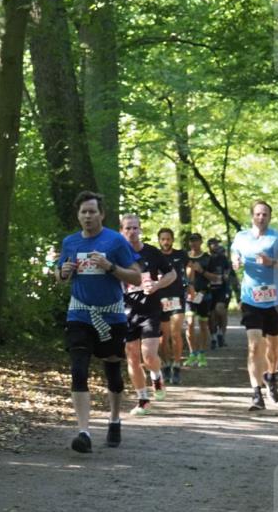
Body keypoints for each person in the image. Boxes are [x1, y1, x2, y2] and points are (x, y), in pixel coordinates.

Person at [57, 191, 142, 453]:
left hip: (111, 315)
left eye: (92, 211)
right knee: (78, 370)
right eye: (83, 212)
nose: (88, 216)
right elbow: (59, 277)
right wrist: (63, 273)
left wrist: (110, 267)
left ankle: (114, 419)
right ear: (78, 215)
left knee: (113, 372)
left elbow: (137, 277)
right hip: (80, 314)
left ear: (101, 214)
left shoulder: (115, 241)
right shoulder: (70, 242)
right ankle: (83, 432)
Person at [230, 200, 278, 411]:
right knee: (254, 346)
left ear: (269, 217)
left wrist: (272, 262)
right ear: (252, 215)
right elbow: (234, 252)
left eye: (265, 214)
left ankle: (271, 375)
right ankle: (256, 393)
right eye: (258, 214)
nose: (261, 217)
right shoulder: (241, 237)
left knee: (274, 347)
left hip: (275, 300)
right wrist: (235, 260)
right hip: (251, 298)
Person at [119, 214, 176, 414]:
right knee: (132, 357)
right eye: (128, 228)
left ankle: (157, 376)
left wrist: (157, 285)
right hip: (126, 311)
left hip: (150, 310)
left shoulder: (151, 252)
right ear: (121, 231)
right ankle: (143, 400)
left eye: (135, 228)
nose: (132, 232)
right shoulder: (117, 254)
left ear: (140, 230)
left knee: (149, 355)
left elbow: (172, 274)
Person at [156, 228, 188, 385]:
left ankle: (176, 365)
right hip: (160, 299)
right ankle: (166, 364)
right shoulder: (155, 256)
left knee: (176, 334)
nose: (166, 242)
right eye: (163, 239)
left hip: (177, 297)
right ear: (159, 240)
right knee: (164, 337)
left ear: (172, 240)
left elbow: (190, 268)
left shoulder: (181, 255)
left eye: (168, 239)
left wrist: (190, 285)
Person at [184, 233, 220, 366]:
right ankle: (192, 353)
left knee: (203, 325)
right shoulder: (184, 257)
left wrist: (201, 271)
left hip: (204, 295)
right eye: (191, 241)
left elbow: (216, 278)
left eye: (196, 240)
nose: (193, 243)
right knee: (189, 323)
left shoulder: (208, 258)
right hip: (188, 295)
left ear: (201, 242)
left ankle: (202, 354)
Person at [206, 238, 232, 349]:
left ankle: (221, 334)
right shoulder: (206, 258)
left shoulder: (223, 258)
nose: (216, 246)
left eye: (217, 244)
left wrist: (226, 275)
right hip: (209, 290)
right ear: (209, 246)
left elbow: (228, 269)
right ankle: (213, 338)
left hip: (222, 289)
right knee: (211, 316)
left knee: (220, 309)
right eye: (214, 244)